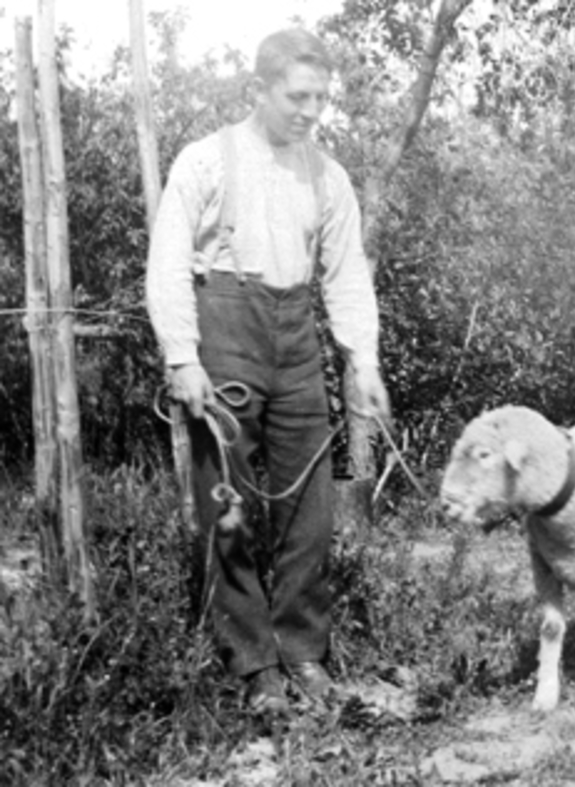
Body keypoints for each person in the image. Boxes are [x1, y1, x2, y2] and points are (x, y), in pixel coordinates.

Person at [146, 28, 390, 715]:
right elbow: (167, 262)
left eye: (321, 97)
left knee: (309, 505)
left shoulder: (328, 175)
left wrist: (361, 359)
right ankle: (252, 662)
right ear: (260, 89)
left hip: (295, 336)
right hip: (224, 327)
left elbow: (345, 276)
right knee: (229, 502)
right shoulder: (206, 162)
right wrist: (183, 356)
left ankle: (303, 650)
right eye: (297, 96)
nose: (311, 110)